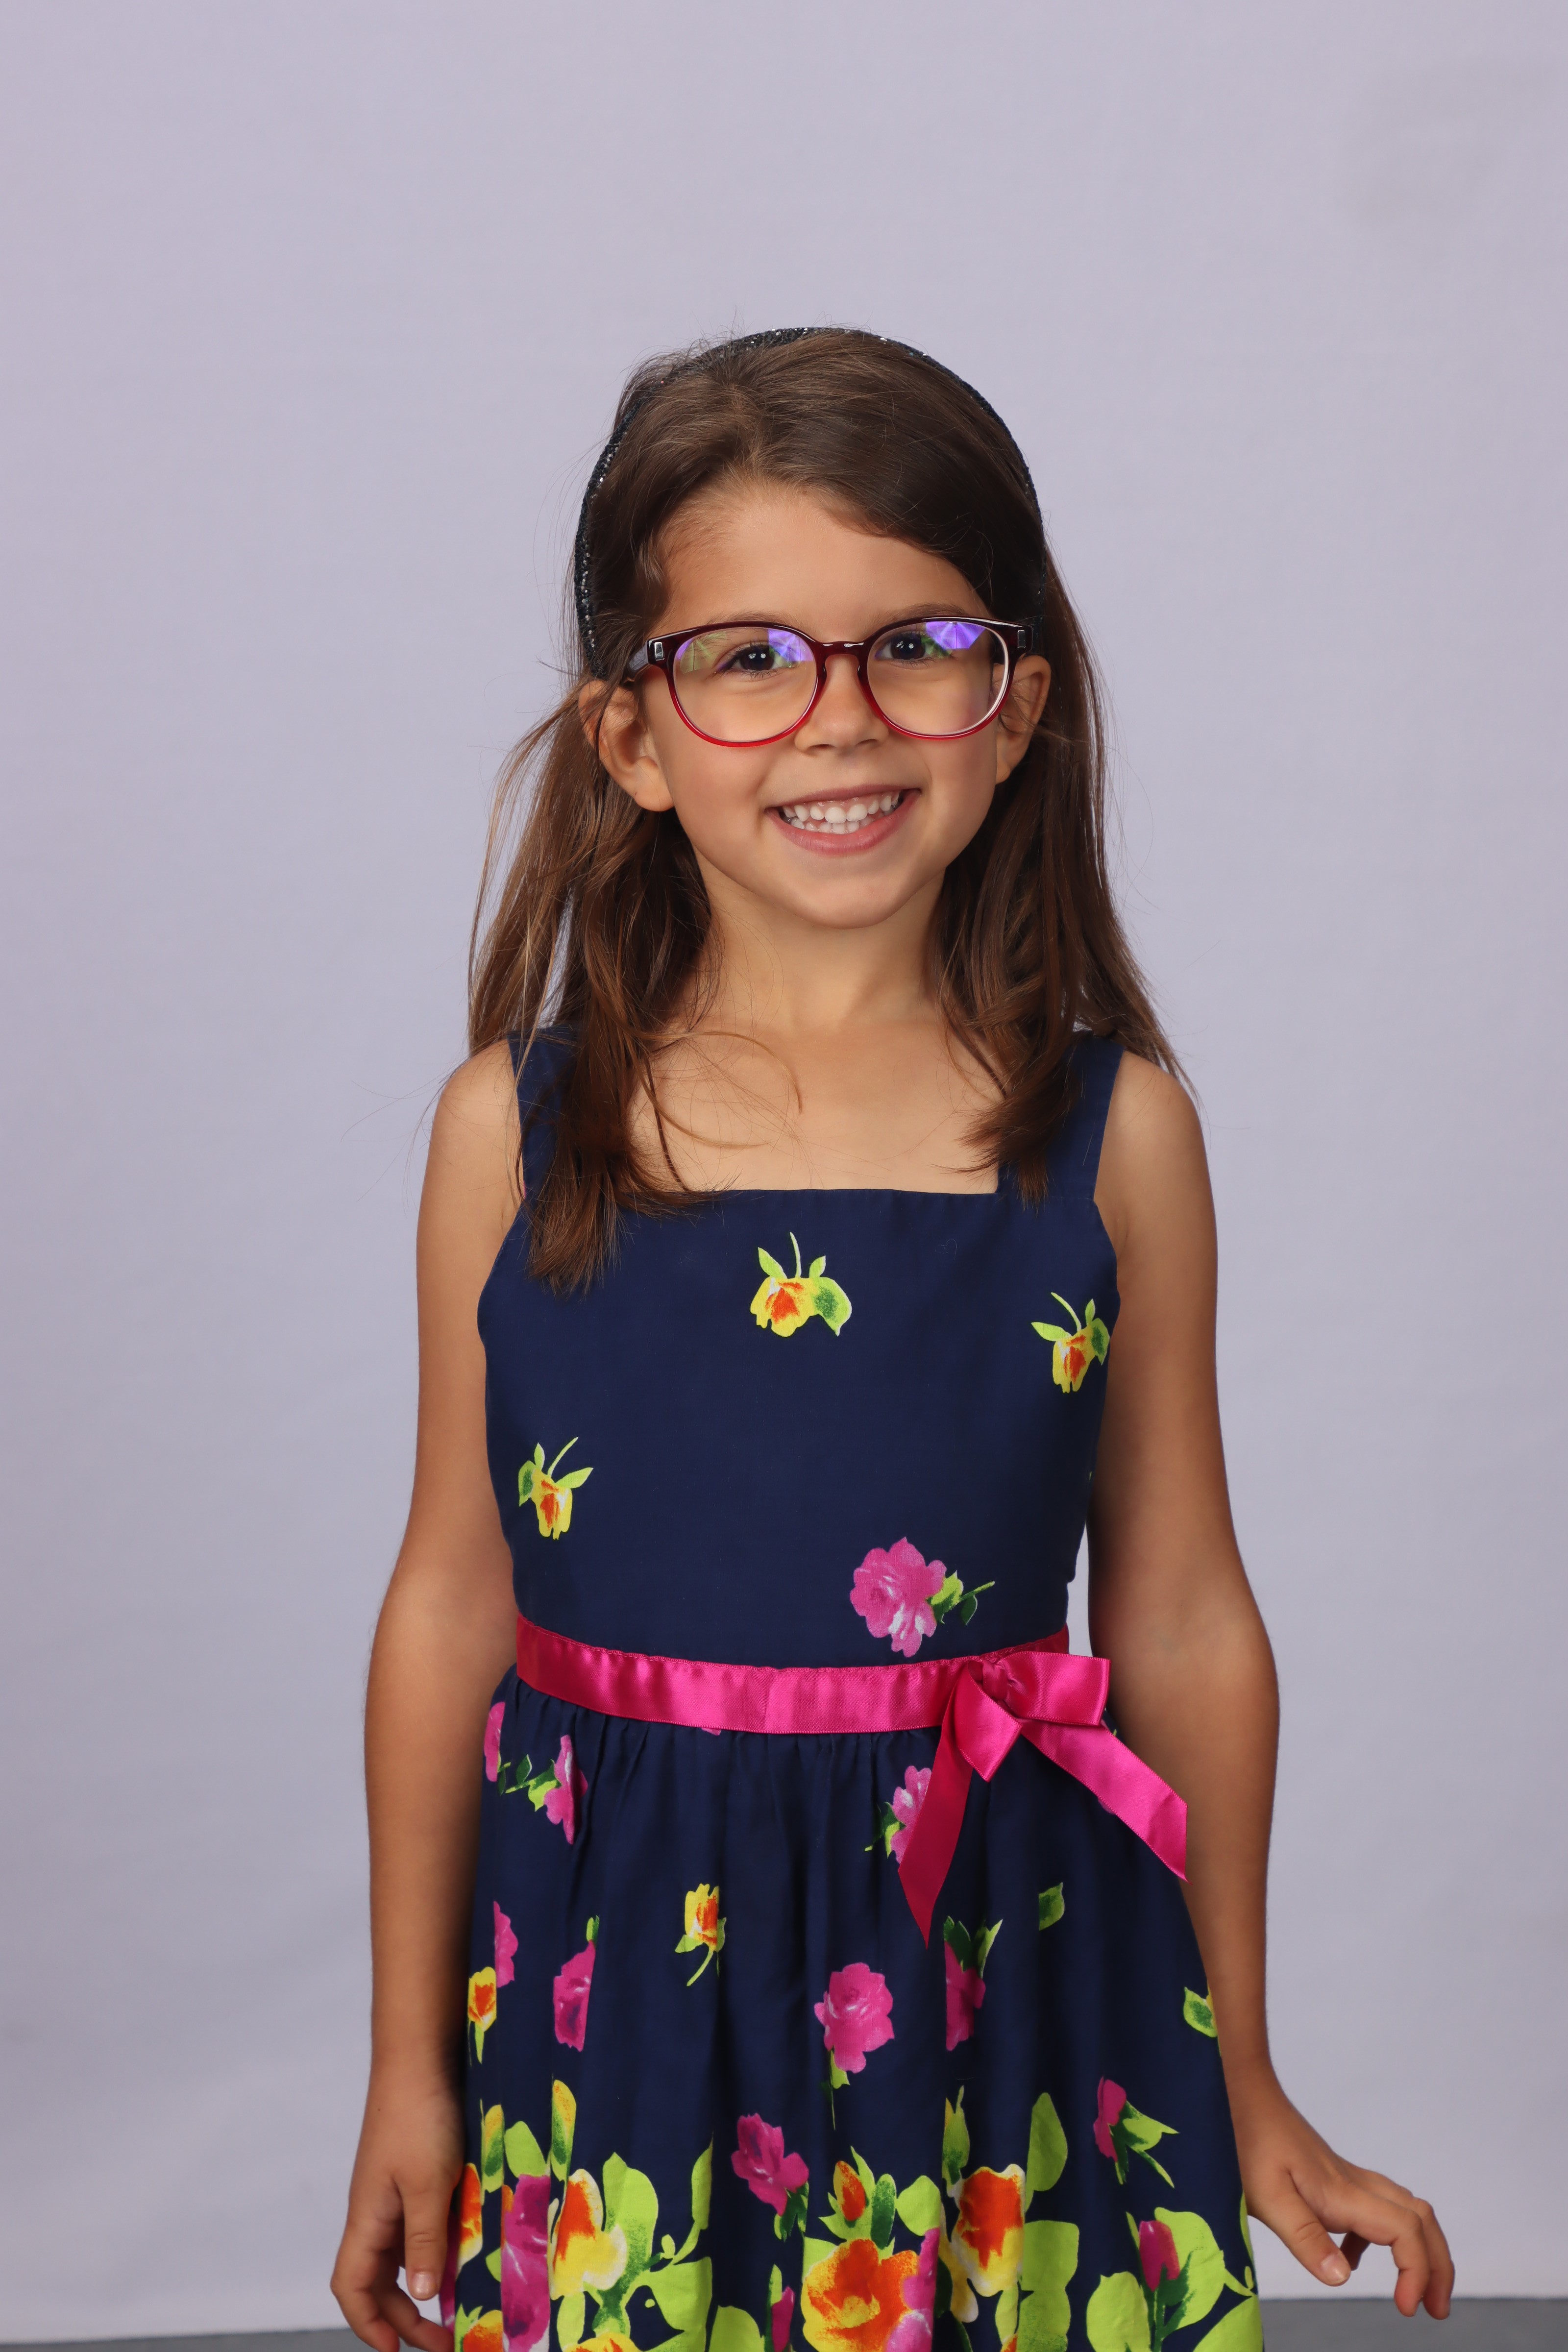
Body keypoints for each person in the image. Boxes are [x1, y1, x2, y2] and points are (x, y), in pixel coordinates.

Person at [331, 329, 1453, 2352]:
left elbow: (1182, 1617)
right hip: (622, 2004)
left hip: (1000, 1990)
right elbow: (448, 1600)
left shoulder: (1117, 1137)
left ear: (1013, 706)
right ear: (631, 736)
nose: (837, 718)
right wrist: (407, 2069)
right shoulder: (515, 1128)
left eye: (914, 647)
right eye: (747, 658)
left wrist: (1244, 2076)